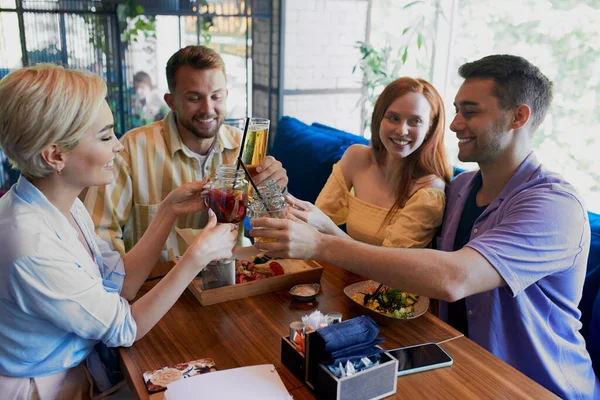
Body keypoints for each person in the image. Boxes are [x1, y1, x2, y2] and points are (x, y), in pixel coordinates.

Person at [250, 54, 599, 398]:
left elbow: (453, 278)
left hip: (535, 386)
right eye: (457, 109)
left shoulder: (554, 206)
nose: (453, 124)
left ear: (518, 116)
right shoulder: (461, 188)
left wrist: (321, 245)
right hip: (458, 363)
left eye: (470, 111)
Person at [0, 64, 237, 398]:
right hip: (51, 387)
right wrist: (196, 257)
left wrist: (167, 210)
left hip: (85, 366)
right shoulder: (31, 246)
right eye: (104, 136)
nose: (118, 146)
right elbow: (125, 327)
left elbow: (119, 282)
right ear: (55, 156)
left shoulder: (57, 202)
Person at [85, 46, 288, 261]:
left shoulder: (243, 146)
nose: (208, 108)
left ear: (226, 96)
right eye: (194, 98)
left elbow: (271, 231)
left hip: (229, 279)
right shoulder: (132, 149)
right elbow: (99, 234)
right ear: (171, 102)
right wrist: (122, 286)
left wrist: (276, 192)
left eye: (216, 96)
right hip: (157, 283)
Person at [286, 77, 451, 249]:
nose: (402, 130)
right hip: (339, 268)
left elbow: (391, 265)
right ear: (379, 118)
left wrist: (326, 227)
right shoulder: (356, 157)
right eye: (393, 118)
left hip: (382, 276)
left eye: (415, 121)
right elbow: (318, 219)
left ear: (430, 129)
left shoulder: (429, 190)